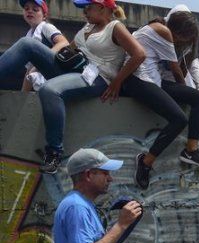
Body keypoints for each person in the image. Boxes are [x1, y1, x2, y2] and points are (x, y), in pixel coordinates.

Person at [35, 0, 144, 174]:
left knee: (49, 90)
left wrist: (117, 81)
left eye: (88, 7)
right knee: (27, 45)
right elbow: (68, 50)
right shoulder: (86, 28)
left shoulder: (114, 27)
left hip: (98, 79)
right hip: (75, 71)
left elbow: (139, 54)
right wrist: (41, 61)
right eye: (83, 8)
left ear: (103, 8)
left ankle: (54, 153)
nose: (85, 12)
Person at [123, 11, 199, 190]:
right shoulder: (163, 31)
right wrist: (182, 89)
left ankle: (191, 150)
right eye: (185, 38)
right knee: (179, 119)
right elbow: (175, 69)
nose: (183, 42)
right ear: (178, 32)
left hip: (152, 79)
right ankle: (146, 162)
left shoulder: (161, 28)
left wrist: (185, 93)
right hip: (137, 80)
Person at [0, 0, 69, 92]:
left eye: (35, 9)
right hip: (47, 79)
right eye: (26, 9)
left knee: (25, 44)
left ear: (44, 15)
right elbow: (29, 72)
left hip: (58, 69)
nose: (30, 11)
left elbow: (64, 43)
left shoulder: (46, 27)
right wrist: (23, 95)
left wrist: (41, 61)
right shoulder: (29, 35)